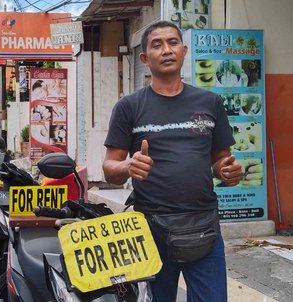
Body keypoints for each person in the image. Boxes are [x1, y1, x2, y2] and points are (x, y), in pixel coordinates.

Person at [102, 21, 242, 302]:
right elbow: (109, 169)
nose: (166, 50)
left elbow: (220, 159)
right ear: (144, 58)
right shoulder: (129, 107)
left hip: (204, 225)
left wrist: (226, 170)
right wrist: (129, 167)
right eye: (157, 44)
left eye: (173, 42)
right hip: (150, 229)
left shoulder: (210, 102)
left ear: (184, 50)